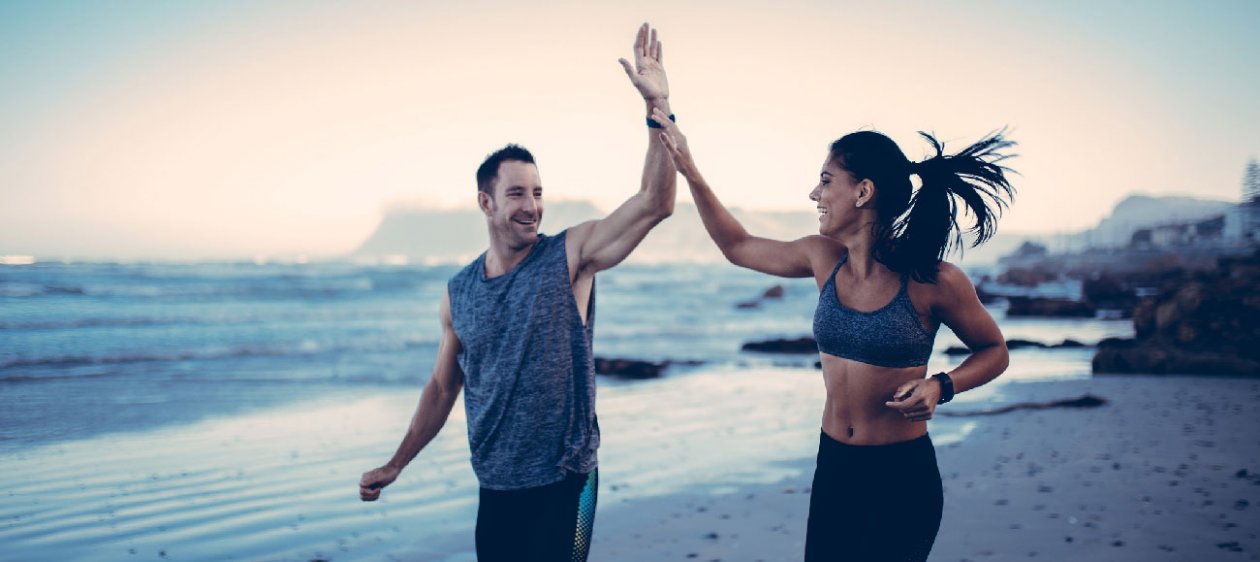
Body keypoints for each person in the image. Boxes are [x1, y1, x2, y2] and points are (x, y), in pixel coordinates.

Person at [358, 23, 675, 562]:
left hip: (566, 482)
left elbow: (655, 202)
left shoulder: (569, 258)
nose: (532, 206)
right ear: (486, 203)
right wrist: (397, 463)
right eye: (516, 194)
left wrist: (659, 107)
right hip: (496, 487)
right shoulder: (458, 293)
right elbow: (441, 388)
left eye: (538, 192)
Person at [654, 109, 1015, 561]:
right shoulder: (823, 258)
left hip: (900, 477)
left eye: (826, 181)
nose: (814, 193)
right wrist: (689, 168)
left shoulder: (932, 280)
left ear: (863, 191)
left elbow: (994, 350)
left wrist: (941, 385)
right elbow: (737, 246)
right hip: (836, 468)